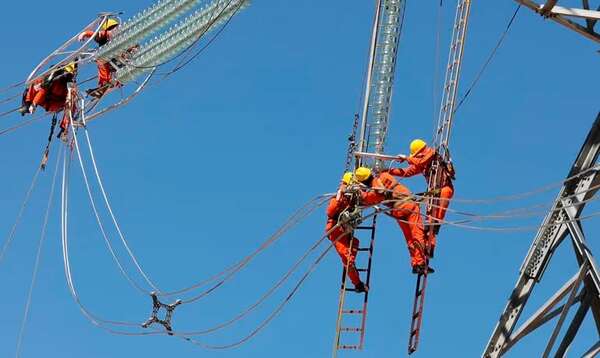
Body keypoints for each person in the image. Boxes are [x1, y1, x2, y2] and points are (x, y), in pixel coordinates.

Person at [354, 166, 432, 274]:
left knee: (409, 238)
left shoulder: (374, 193)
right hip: (409, 206)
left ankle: (415, 264)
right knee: (417, 234)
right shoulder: (384, 176)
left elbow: (367, 199)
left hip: (398, 212)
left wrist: (360, 192)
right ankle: (420, 263)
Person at [387, 139, 455, 237]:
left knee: (437, 217)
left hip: (445, 189)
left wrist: (407, 158)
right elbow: (407, 172)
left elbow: (421, 161)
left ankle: (434, 229)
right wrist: (389, 171)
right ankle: (428, 237)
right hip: (434, 192)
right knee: (429, 220)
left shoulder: (431, 154)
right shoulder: (421, 163)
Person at [325, 172, 368, 292]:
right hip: (335, 230)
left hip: (345, 229)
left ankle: (350, 265)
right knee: (348, 259)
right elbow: (330, 211)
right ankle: (357, 283)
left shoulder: (352, 197)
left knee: (354, 243)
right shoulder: (338, 197)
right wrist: (340, 195)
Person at [78, 17, 120, 97]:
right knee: (103, 61)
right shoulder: (118, 34)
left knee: (101, 60)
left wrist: (85, 33)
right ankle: (109, 83)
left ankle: (105, 84)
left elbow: (97, 35)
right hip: (116, 60)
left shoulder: (108, 33)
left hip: (112, 57)